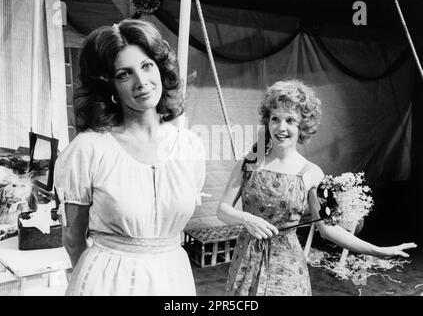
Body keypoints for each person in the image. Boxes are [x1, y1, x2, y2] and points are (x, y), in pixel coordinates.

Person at [217, 79, 417, 296]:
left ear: (302, 126)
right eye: (275, 119)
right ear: (267, 121)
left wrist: (377, 250)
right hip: (246, 261)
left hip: (287, 267)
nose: (281, 127)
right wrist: (246, 219)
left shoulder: (311, 173)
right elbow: (223, 210)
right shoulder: (248, 163)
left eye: (290, 120)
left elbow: (328, 228)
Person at [54, 19, 206, 296]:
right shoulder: (89, 149)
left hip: (172, 277)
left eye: (147, 66)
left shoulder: (190, 146)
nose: (141, 82)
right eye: (125, 74)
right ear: (110, 85)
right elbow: (73, 240)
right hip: (106, 282)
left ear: (160, 68)